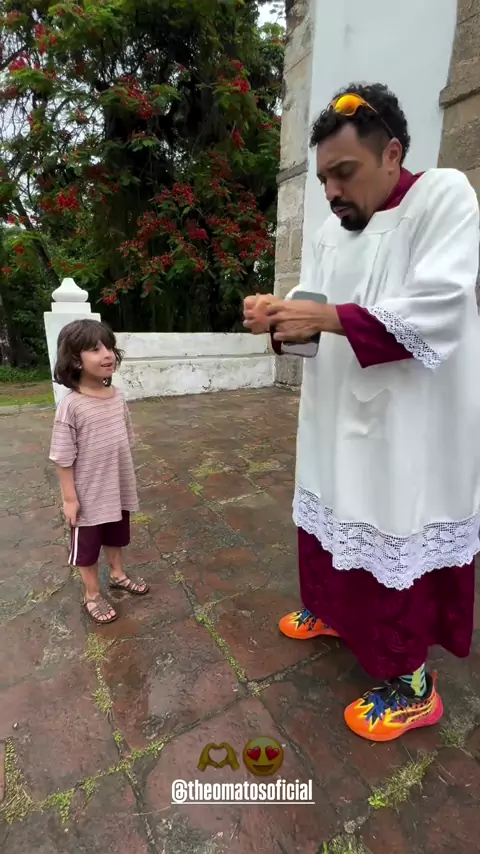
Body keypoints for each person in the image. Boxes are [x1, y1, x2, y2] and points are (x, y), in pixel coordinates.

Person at [243, 82, 480, 742]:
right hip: (334, 411)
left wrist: (323, 317)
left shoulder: (444, 198)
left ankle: (412, 686)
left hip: (410, 423)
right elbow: (313, 309)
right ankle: (333, 612)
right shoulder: (330, 229)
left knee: (394, 522)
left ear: (392, 154)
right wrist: (280, 316)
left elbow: (440, 308)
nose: (332, 191)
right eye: (324, 178)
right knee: (330, 505)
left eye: (344, 172)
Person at [49, 318, 149, 624]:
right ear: (75, 360)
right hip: (88, 494)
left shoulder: (117, 396)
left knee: (116, 535)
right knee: (88, 547)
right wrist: (70, 499)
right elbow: (63, 458)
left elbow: (126, 438)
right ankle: (91, 594)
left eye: (109, 347)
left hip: (116, 486)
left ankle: (117, 574)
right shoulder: (71, 406)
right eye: (95, 349)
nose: (107, 354)